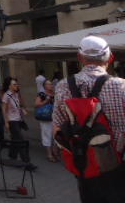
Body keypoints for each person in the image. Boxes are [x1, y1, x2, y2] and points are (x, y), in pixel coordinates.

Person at [53, 36, 125, 202]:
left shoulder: (63, 86)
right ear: (111, 57)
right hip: (118, 166)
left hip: (84, 165)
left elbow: (57, 130)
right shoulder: (122, 86)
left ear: (79, 57)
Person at [2, 77, 35, 170]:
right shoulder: (6, 95)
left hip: (18, 120)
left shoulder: (16, 94)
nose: (16, 85)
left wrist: (23, 109)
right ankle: (26, 162)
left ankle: (12, 156)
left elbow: (19, 104)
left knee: (15, 139)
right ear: (9, 86)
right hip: (12, 121)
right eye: (14, 84)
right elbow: (3, 110)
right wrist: (6, 122)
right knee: (20, 140)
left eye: (17, 84)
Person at [34, 80, 56, 162]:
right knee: (47, 136)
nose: (51, 85)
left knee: (54, 136)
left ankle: (54, 152)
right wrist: (46, 101)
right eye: (48, 84)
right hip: (45, 118)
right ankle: (49, 155)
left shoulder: (55, 94)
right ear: (44, 86)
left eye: (51, 84)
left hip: (54, 117)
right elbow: (36, 104)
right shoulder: (42, 94)